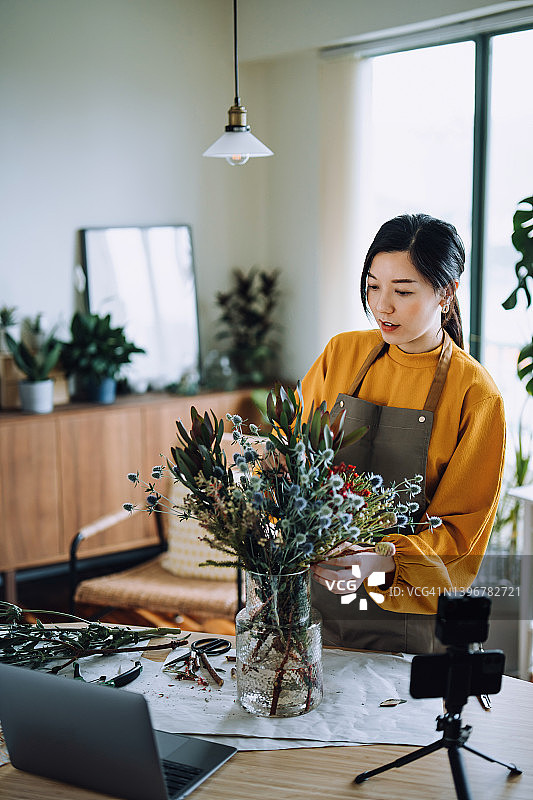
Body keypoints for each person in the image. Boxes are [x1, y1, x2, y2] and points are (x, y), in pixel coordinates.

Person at [303, 213, 505, 654]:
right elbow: (297, 465)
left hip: (407, 622)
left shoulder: (475, 393)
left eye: (403, 291)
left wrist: (383, 563)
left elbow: (460, 537)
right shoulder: (341, 353)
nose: (383, 306)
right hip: (315, 604)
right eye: (373, 286)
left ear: (446, 293)